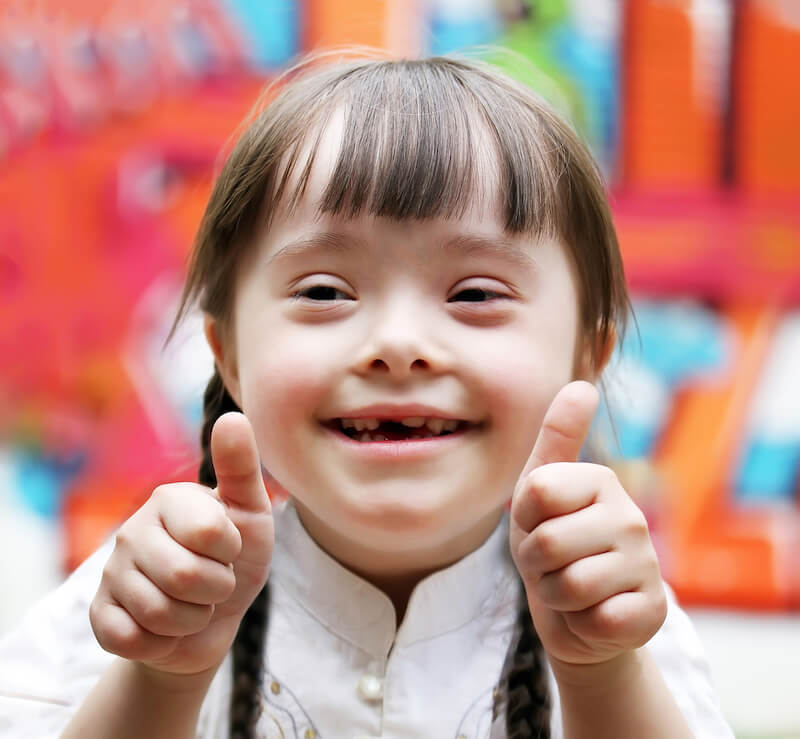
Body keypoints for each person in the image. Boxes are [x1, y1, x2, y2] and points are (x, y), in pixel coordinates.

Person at [0, 52, 733, 738]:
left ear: (586, 354)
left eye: (475, 292)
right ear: (228, 354)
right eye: (324, 290)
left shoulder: (629, 622)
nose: (398, 341)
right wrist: (159, 677)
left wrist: (601, 672)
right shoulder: (138, 597)